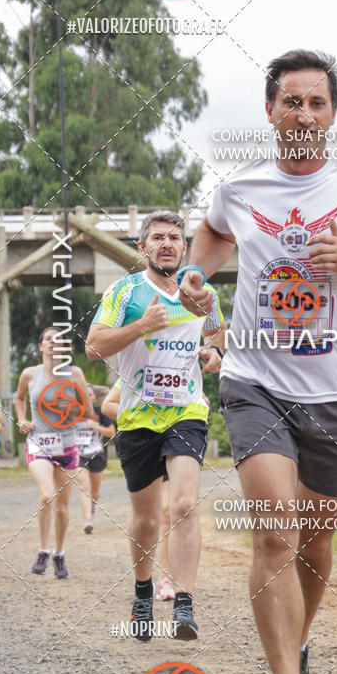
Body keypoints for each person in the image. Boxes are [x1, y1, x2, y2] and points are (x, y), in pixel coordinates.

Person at [179, 49, 337, 674]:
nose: (305, 114)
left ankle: (297, 643)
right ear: (270, 110)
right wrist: (196, 274)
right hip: (255, 381)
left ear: (333, 114)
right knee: (277, 531)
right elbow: (216, 234)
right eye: (292, 101)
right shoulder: (242, 185)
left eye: (317, 103)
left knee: (314, 547)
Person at [86, 210, 226, 640]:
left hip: (186, 411)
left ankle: (184, 604)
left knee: (183, 504)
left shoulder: (204, 294)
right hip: (136, 418)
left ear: (185, 247)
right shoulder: (124, 291)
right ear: (144, 247)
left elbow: (217, 337)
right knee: (146, 521)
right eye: (158, 238)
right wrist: (142, 325)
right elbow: (93, 346)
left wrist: (215, 354)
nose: (167, 243)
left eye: (175, 238)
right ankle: (143, 593)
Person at [14, 327, 92, 579]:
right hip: (38, 443)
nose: (52, 343)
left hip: (67, 446)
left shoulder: (74, 374)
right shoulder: (29, 374)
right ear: (40, 346)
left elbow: (88, 410)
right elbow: (19, 398)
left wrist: (71, 408)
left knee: (61, 507)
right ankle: (43, 550)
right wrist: (22, 420)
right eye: (48, 339)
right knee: (47, 495)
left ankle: (59, 554)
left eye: (58, 340)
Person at [102, 380, 174, 601]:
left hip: (173, 442)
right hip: (144, 443)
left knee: (169, 512)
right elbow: (107, 406)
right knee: (148, 519)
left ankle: (166, 579)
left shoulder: (182, 364)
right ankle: (144, 582)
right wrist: (145, 412)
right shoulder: (135, 370)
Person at [76, 385, 115, 533]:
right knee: (84, 486)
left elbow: (112, 432)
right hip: (78, 454)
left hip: (96, 453)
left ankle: (92, 509)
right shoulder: (72, 412)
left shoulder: (100, 412)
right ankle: (87, 521)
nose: (86, 396)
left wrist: (95, 426)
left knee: (95, 491)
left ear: (93, 397)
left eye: (89, 394)